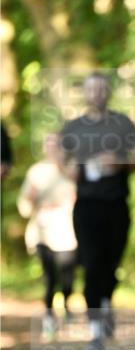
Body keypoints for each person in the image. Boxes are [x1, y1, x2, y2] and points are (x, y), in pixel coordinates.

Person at [59, 71, 135, 350]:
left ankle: (106, 303)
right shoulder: (73, 127)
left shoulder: (122, 123)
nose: (96, 93)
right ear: (84, 93)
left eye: (101, 88)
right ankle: (95, 331)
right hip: (86, 206)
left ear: (108, 92)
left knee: (110, 265)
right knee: (92, 264)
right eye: (91, 89)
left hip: (116, 205)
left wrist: (120, 162)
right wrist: (71, 171)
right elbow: (59, 159)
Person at [17, 132, 78, 339]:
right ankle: (49, 317)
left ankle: (67, 305)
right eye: (48, 144)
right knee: (49, 277)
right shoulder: (36, 172)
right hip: (42, 232)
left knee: (67, 274)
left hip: (68, 231)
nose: (52, 148)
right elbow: (24, 206)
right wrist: (31, 200)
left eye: (56, 144)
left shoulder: (73, 169)